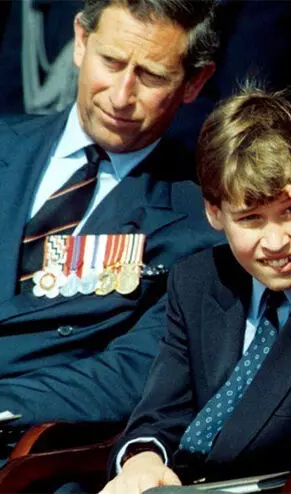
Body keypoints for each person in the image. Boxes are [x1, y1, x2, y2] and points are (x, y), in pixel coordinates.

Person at [100, 87, 291, 492]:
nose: (276, 241)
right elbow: (161, 410)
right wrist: (142, 459)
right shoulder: (197, 280)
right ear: (214, 213)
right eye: (251, 219)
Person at [0, 0, 220, 438]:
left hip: (34, 455)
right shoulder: (6, 147)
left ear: (195, 82)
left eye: (152, 76)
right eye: (111, 62)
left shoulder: (202, 219)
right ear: (81, 41)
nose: (121, 97)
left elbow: (138, 371)